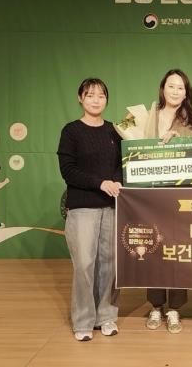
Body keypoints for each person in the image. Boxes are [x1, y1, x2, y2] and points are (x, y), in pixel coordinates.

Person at [57, 78, 122, 342]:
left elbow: (123, 163)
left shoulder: (114, 131)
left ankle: (106, 316)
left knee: (110, 265)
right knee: (84, 264)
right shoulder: (71, 131)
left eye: (101, 95)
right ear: (80, 98)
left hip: (112, 207)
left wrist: (117, 181)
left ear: (107, 99)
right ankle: (83, 320)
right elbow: (68, 170)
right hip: (82, 207)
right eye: (90, 95)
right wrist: (100, 183)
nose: (96, 100)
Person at [144, 69, 192, 334]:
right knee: (154, 246)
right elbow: (131, 144)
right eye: (171, 86)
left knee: (178, 249)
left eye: (181, 87)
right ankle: (156, 305)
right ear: (163, 88)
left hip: (182, 194)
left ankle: (175, 308)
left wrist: (179, 142)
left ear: (186, 92)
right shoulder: (146, 115)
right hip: (150, 194)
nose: (176, 91)